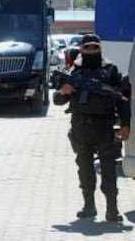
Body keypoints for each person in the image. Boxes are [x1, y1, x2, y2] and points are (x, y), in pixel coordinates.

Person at [53, 33, 131, 222]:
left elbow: (121, 100)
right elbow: (57, 100)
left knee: (109, 170)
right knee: (85, 170)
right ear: (81, 49)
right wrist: (64, 91)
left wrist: (125, 124)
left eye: (94, 48)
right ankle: (89, 207)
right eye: (87, 48)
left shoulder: (111, 70)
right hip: (81, 127)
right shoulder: (74, 71)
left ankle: (112, 209)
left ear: (100, 48)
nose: (91, 51)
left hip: (105, 127)